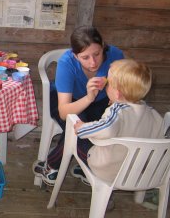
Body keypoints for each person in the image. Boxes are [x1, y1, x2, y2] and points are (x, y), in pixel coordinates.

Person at [33, 26, 124, 185]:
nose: (93, 62)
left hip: (101, 101)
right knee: (77, 128)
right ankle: (93, 169)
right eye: (85, 57)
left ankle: (53, 164)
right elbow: (63, 111)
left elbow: (124, 88)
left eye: (97, 54)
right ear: (75, 56)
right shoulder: (67, 63)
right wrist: (89, 97)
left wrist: (112, 88)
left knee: (104, 127)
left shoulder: (115, 55)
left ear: (103, 46)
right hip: (67, 101)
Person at [74, 59, 163, 183]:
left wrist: (82, 128)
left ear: (117, 93)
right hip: (136, 173)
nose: (105, 84)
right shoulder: (153, 114)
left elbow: (106, 127)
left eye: (108, 82)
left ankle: (60, 168)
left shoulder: (117, 111)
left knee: (76, 141)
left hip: (108, 171)